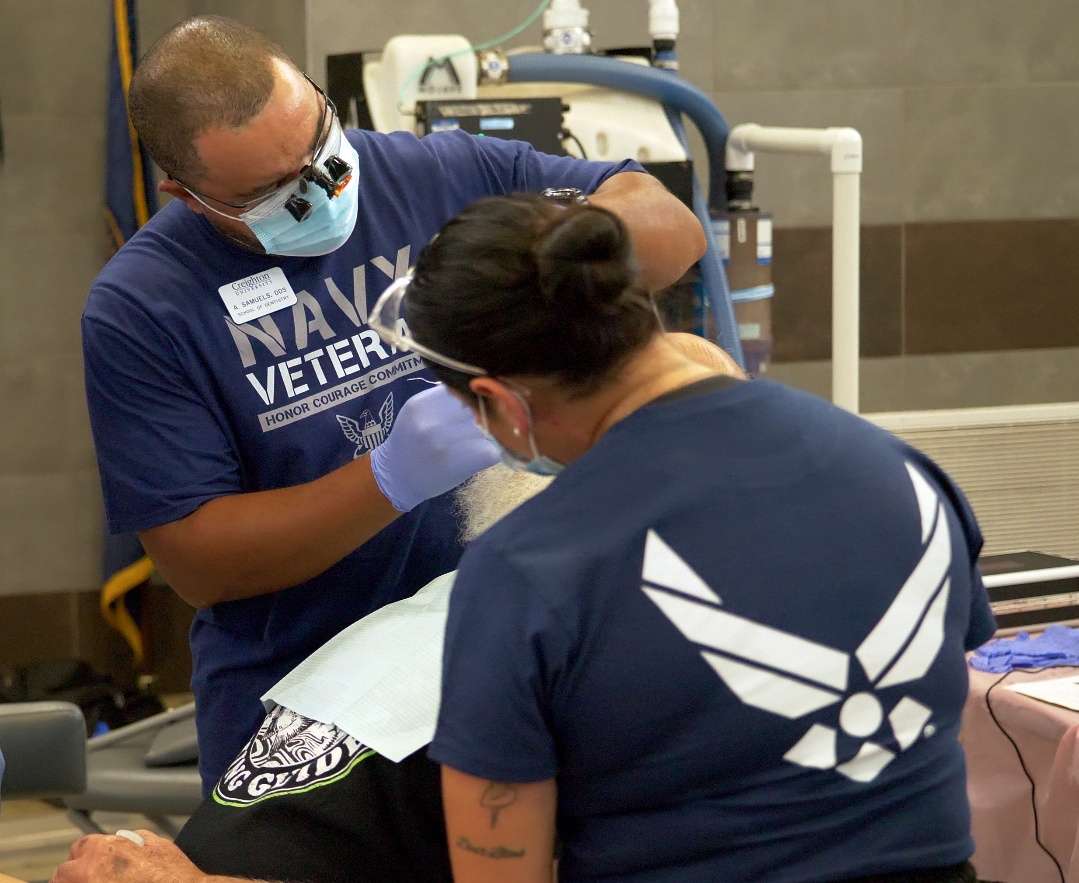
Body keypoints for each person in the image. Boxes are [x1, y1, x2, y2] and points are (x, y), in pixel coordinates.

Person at [83, 14, 706, 792]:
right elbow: (198, 562)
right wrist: (388, 478)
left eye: (317, 149)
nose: (318, 190)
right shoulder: (142, 308)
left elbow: (669, 227)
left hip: (514, 657)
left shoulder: (437, 174)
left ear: (314, 95)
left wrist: (544, 265)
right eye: (269, 191)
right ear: (184, 192)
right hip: (310, 709)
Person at [366, 195, 995, 882]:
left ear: (503, 400)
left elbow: (501, 869)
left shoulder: (528, 565)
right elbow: (941, 697)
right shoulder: (899, 468)